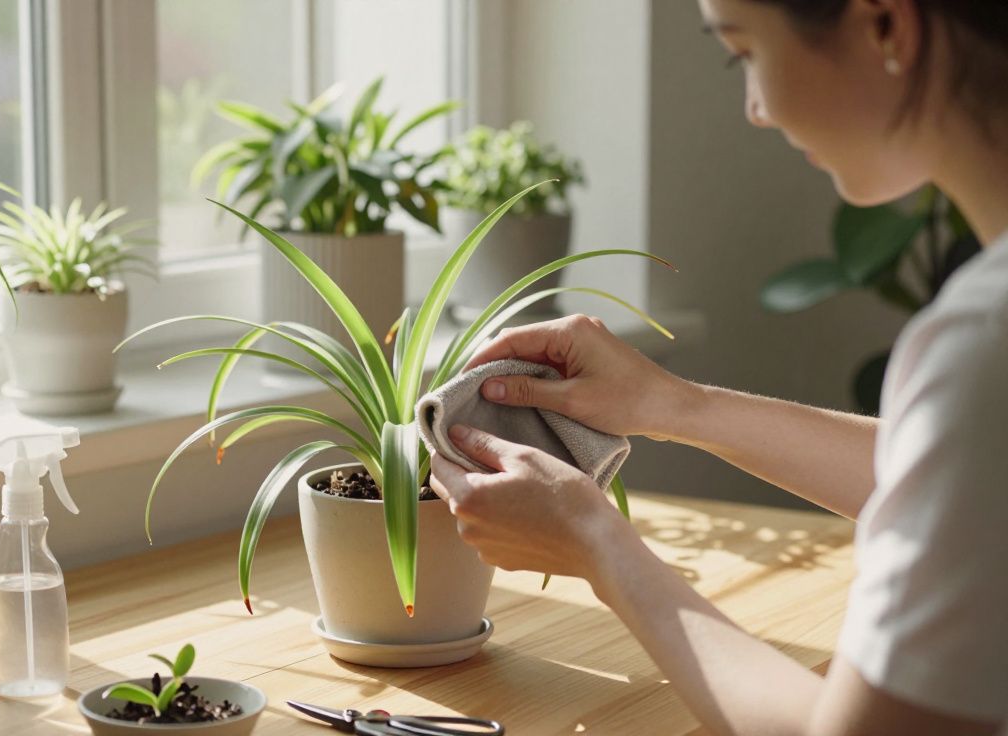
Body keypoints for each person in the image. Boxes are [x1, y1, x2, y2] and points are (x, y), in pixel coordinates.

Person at [428, 1, 1008, 734]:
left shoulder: (985, 340)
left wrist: (599, 546)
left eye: (744, 53)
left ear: (887, 25)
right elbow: (965, 481)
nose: (756, 109)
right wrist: (676, 406)